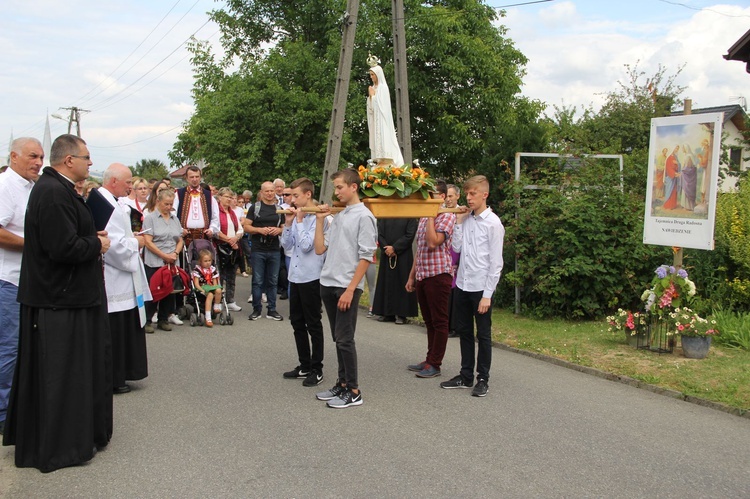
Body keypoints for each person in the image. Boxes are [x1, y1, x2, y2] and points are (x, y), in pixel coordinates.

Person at [3, 134, 113, 472]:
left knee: (72, 373)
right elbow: (61, 248)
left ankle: (75, 435)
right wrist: (97, 244)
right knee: (61, 376)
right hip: (59, 300)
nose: (90, 164)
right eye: (87, 157)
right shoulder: (52, 193)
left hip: (67, 298)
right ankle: (60, 445)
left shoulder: (58, 189)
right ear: (69, 161)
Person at [314, 168, 377, 409]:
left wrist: (352, 289)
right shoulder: (339, 216)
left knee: (345, 339)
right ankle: (341, 384)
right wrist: (320, 221)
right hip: (328, 282)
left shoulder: (364, 216)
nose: (336, 192)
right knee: (337, 338)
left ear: (353, 187)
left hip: (346, 286)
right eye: (335, 188)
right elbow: (320, 248)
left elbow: (366, 256)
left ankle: (353, 390)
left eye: (340, 187)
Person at [440, 175, 504, 398]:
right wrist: (458, 223)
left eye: (472, 194)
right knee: (464, 331)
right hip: (463, 284)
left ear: (484, 195)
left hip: (480, 288)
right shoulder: (465, 219)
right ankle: (465, 375)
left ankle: (482, 378)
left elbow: (496, 263)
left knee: (483, 335)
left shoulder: (493, 223)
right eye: (466, 194)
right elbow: (455, 248)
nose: (468, 198)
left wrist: (487, 295)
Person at [95, 163, 151, 394]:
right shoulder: (102, 204)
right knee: (116, 329)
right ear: (114, 181)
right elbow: (109, 244)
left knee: (126, 325)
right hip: (114, 275)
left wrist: (132, 238)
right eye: (128, 182)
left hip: (123, 275)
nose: (130, 187)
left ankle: (125, 372)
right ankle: (115, 377)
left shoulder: (114, 202)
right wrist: (134, 243)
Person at [0, 138, 42, 436]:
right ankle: (3, 413)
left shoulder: (31, 186)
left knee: (21, 346)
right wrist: (35, 247)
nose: (38, 162)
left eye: (41, 157)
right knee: (10, 348)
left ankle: (15, 407)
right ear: (13, 156)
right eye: (32, 156)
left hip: (25, 279)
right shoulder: (6, 186)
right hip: (7, 279)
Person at [280, 178, 328, 387]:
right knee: (296, 322)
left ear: (308, 195)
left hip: (312, 277)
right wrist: (289, 224)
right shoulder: (297, 217)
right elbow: (286, 244)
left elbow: (308, 245)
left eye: (296, 195)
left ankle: (317, 369)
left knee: (313, 323)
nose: (292, 200)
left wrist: (299, 221)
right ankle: (304, 364)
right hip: (295, 276)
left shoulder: (320, 218)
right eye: (291, 196)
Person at [405, 180, 456, 378]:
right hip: (423, 274)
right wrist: (412, 276)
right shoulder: (425, 217)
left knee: (439, 321)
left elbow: (434, 242)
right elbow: (420, 249)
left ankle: (435, 363)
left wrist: (431, 215)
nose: (427, 198)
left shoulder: (447, 216)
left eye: (431, 194)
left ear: (441, 197)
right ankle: (429, 359)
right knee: (428, 320)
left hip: (439, 274)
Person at [142, 189, 184, 333]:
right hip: (155, 260)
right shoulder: (150, 218)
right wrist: (163, 255)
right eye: (166, 204)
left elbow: (180, 240)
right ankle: (146, 320)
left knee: (168, 291)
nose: (168, 207)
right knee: (153, 291)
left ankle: (163, 319)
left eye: (171, 204)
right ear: (158, 201)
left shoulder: (175, 219)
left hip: (171, 261)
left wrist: (175, 253)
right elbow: (148, 242)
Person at [243, 181, 284, 321]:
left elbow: (285, 228)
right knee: (258, 280)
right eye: (266, 191)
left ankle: (272, 309)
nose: (269, 193)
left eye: (272, 190)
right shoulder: (255, 207)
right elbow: (246, 227)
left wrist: (278, 230)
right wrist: (259, 230)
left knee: (273, 280)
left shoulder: (279, 209)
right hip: (258, 248)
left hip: (274, 249)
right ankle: (256, 309)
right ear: (261, 192)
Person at [372, 217, 418, 324]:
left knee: (401, 282)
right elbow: (380, 233)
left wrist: (395, 248)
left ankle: (402, 314)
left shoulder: (410, 216)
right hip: (387, 253)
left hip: (403, 255)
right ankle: (387, 313)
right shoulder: (387, 214)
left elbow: (409, 235)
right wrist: (386, 248)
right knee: (387, 281)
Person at [366, 57, 404, 166]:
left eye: (373, 75)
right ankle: (379, 159)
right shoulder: (374, 88)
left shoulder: (383, 88)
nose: (371, 77)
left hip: (382, 120)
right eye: (371, 75)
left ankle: (386, 158)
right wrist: (370, 97)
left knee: (384, 138)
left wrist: (372, 96)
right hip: (376, 120)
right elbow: (371, 108)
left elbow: (382, 107)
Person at [174, 165, 219, 248]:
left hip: (204, 237)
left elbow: (215, 217)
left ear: (200, 177)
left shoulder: (208, 195)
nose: (194, 179)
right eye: (191, 177)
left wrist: (212, 229)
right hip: (184, 237)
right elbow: (172, 215)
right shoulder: (178, 194)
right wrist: (179, 229)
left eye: (197, 177)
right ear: (186, 178)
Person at [215, 187, 243, 312]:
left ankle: (230, 300)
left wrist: (236, 238)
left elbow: (240, 229)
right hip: (220, 246)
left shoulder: (233, 213)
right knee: (219, 274)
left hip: (233, 246)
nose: (229, 199)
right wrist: (228, 240)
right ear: (220, 197)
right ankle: (219, 300)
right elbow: (215, 230)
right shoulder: (216, 212)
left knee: (232, 274)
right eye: (227, 197)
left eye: (231, 197)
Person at [445, 184, 461, 337]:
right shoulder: (442, 211)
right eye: (447, 196)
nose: (448, 199)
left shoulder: (462, 212)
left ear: (457, 196)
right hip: (445, 252)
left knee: (455, 290)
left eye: (451, 196)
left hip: (459, 254)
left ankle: (456, 325)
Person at [192, 249, 223, 328]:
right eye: (205, 261)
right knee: (210, 295)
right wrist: (202, 290)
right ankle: (208, 317)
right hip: (202, 287)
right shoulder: (197, 270)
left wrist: (215, 288)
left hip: (211, 286)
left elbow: (215, 283)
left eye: (209, 260)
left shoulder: (212, 269)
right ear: (200, 261)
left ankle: (216, 306)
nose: (208, 262)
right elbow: (196, 284)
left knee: (219, 290)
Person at [278, 186, 293, 300]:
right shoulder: (280, 208)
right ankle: (285, 289)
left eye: (288, 194)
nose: (285, 197)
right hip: (284, 245)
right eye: (284, 195)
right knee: (285, 269)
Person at [662, 146, 682, 210]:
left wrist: (678, 164)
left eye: (677, 149)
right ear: (673, 148)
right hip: (670, 177)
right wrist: (674, 173)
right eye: (676, 148)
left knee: (674, 191)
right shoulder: (669, 158)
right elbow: (668, 168)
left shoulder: (675, 157)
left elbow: (679, 165)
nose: (676, 150)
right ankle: (668, 205)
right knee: (669, 191)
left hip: (675, 177)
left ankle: (673, 205)